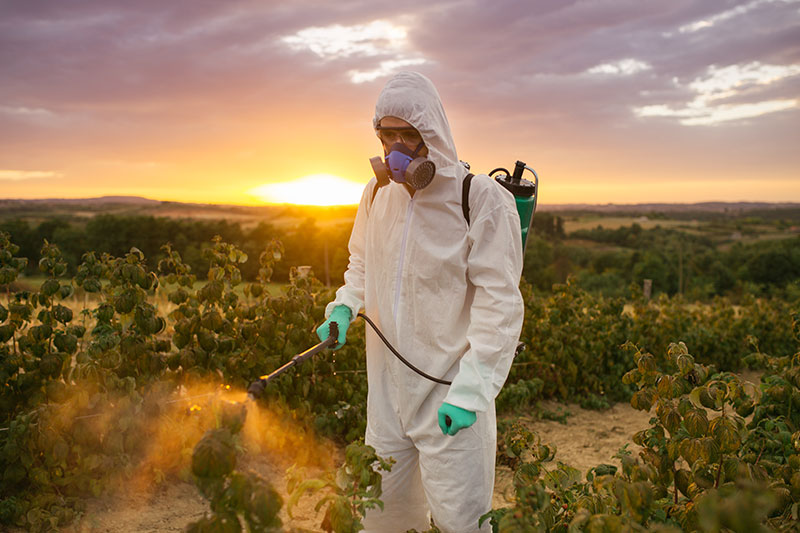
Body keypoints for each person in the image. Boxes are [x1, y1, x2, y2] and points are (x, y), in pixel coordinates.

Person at [316, 71, 524, 532]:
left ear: (432, 133)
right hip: (387, 401)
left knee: (462, 524)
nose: (396, 148)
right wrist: (345, 306)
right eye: (386, 134)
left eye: (407, 135)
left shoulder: (480, 199)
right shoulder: (375, 194)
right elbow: (362, 265)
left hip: (451, 398)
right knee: (381, 520)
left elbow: (500, 306)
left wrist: (471, 394)